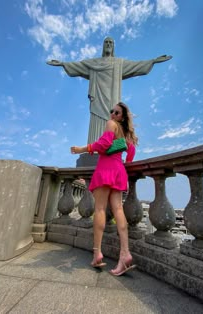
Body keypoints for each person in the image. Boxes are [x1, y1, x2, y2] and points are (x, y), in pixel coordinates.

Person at [47, 37, 172, 143]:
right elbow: (79, 66)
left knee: (113, 120)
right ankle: (94, 148)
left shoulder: (118, 63)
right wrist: (63, 64)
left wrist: (153, 61)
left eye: (110, 43)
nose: (108, 44)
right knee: (97, 123)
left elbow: (136, 65)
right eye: (106, 42)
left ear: (113, 47)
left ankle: (110, 147)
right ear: (103, 46)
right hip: (98, 100)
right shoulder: (94, 62)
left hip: (112, 100)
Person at [71, 102, 138, 276]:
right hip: (119, 170)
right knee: (118, 209)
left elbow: (103, 144)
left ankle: (97, 253)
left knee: (100, 209)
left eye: (117, 112)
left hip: (106, 169)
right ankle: (125, 253)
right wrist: (125, 165)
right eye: (112, 111)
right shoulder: (126, 133)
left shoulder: (111, 125)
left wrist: (81, 149)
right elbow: (130, 153)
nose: (113, 114)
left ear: (121, 117)